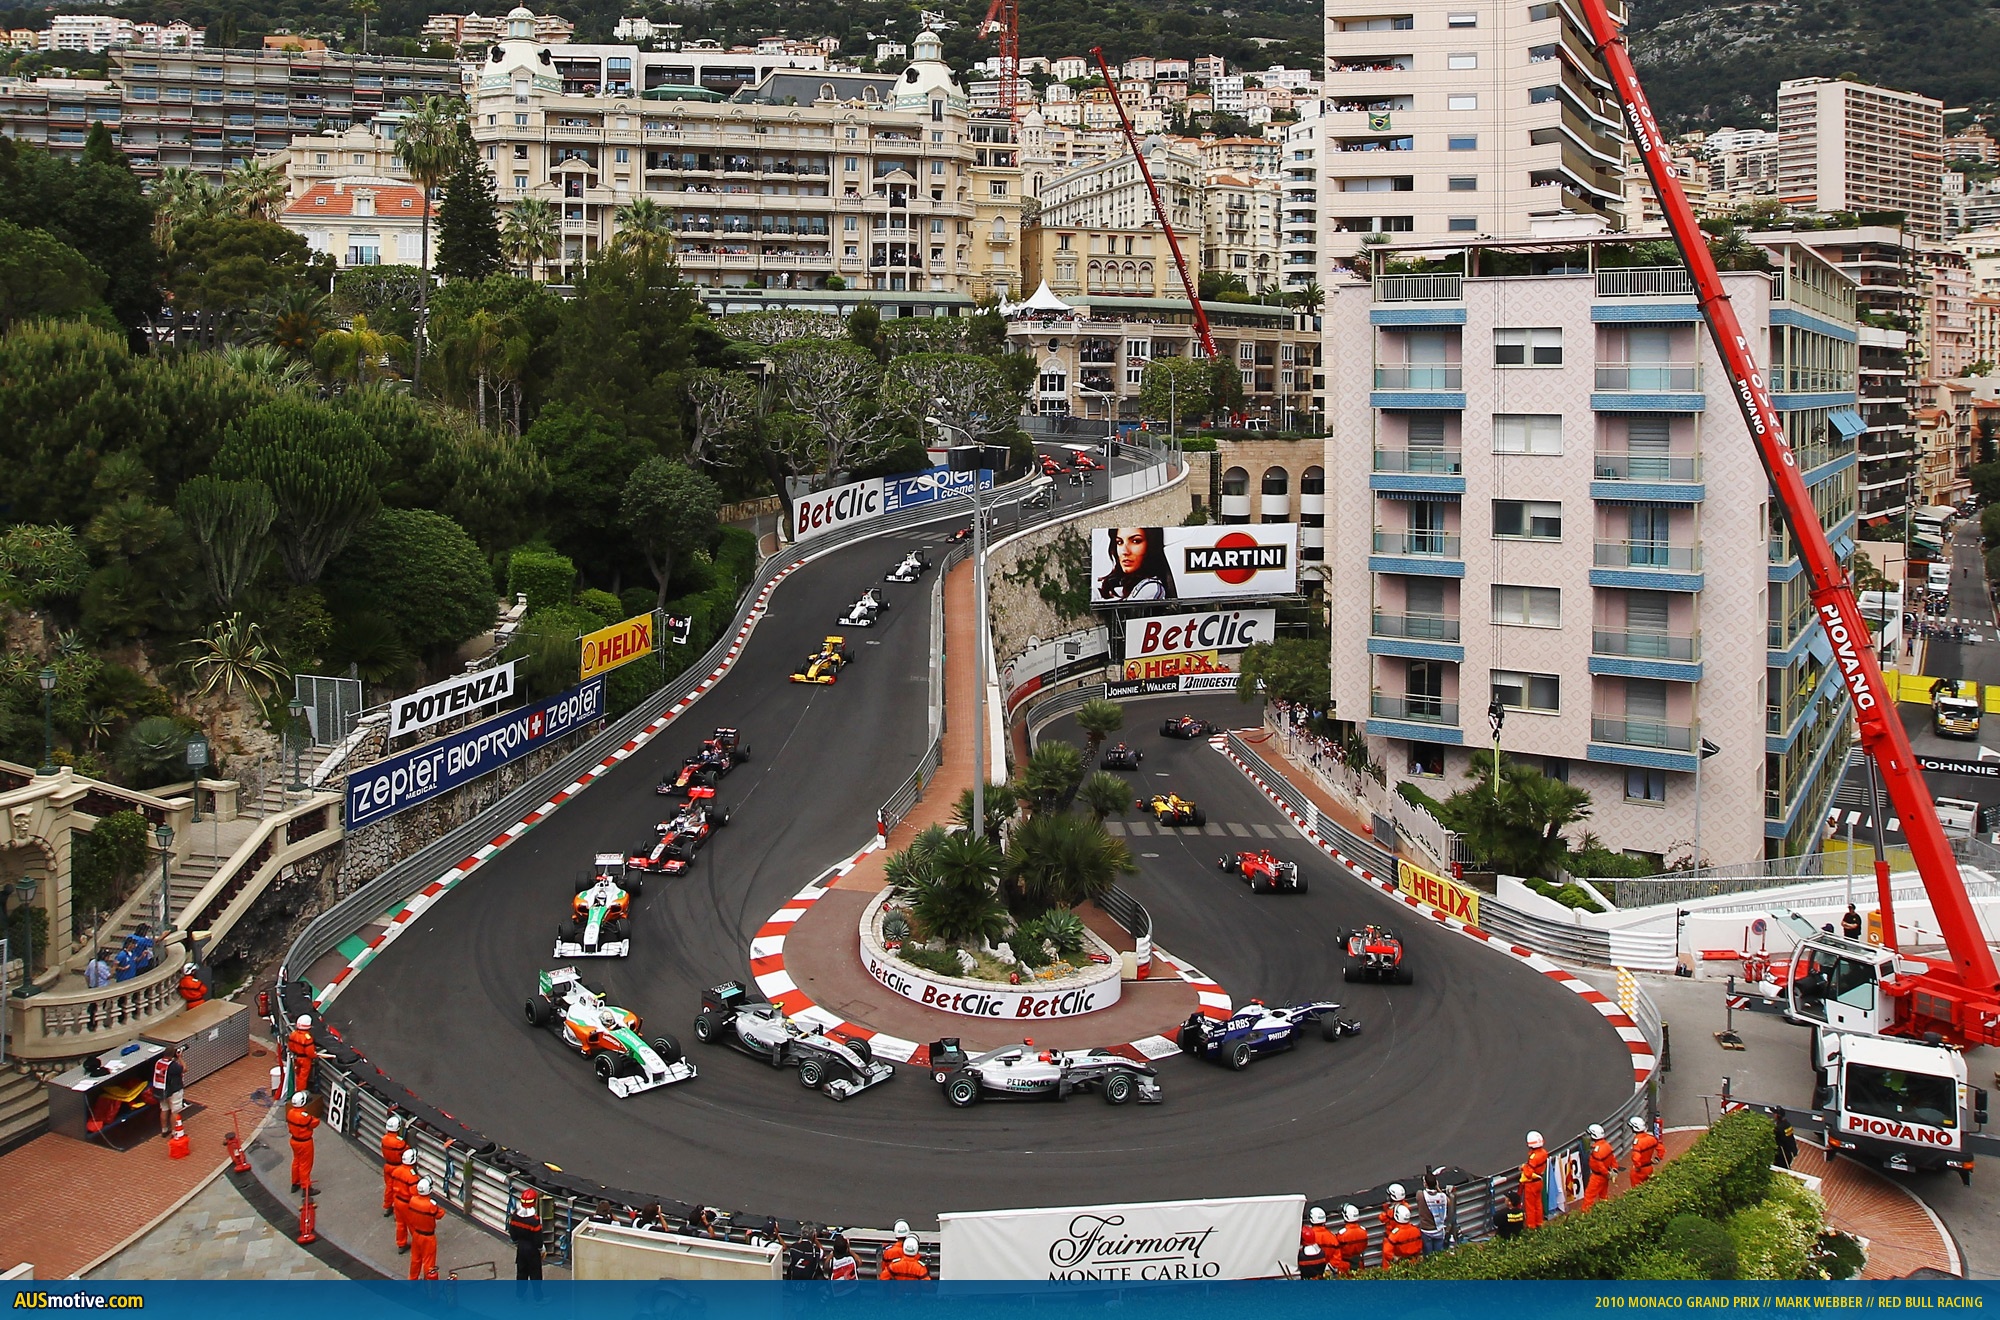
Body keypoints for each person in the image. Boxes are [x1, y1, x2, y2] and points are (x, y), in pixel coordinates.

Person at [1096, 527, 1176, 602]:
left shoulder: (1151, 588)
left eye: (1136, 541)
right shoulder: (1115, 582)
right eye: (1119, 542)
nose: (1125, 551)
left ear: (1151, 545)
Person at [406, 1176, 443, 1281]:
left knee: (415, 1259)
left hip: (416, 1234)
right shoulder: (430, 1205)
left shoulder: (413, 1200)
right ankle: (429, 1283)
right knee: (429, 1261)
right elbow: (440, 1214)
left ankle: (413, 1279)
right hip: (428, 1236)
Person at [508, 1187, 545, 1283]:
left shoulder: (515, 1217)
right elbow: (538, 1239)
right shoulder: (534, 1221)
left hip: (521, 1249)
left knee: (521, 1274)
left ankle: (520, 1296)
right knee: (536, 1275)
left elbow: (513, 1234)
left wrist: (517, 1243)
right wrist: (541, 1249)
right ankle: (538, 1297)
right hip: (532, 1251)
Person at [285, 1090, 318, 1194]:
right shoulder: (304, 1116)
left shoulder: (290, 1112)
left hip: (294, 1141)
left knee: (296, 1162)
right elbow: (315, 1122)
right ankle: (306, 1188)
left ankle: (295, 1183)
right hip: (305, 1143)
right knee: (305, 1165)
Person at [152, 1045, 186, 1136]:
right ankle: (174, 1132)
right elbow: (184, 1069)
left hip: (161, 1091)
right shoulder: (173, 1066)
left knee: (164, 1109)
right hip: (174, 1091)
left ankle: (164, 1130)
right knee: (174, 1112)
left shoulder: (158, 1062)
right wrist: (180, 1058)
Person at [391, 1148, 420, 1252]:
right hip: (407, 1203)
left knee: (400, 1224)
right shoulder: (412, 1177)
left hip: (397, 1200)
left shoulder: (397, 1170)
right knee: (413, 1225)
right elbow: (414, 1194)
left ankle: (401, 1244)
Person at [1417, 1170, 1452, 1253]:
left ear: (1425, 1184)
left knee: (1428, 1256)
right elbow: (1449, 1202)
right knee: (1439, 1255)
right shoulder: (1442, 1197)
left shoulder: (1420, 1195)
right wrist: (1438, 1188)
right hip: (1439, 1230)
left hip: (1426, 1231)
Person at [1584, 1123, 1618, 1210]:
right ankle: (1605, 1211)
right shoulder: (1607, 1145)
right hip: (1605, 1176)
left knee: (1589, 1196)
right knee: (1603, 1195)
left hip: (1597, 1176)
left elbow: (1600, 1166)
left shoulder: (1596, 1150)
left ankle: (1586, 1215)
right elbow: (1612, 1159)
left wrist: (1607, 1174)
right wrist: (1614, 1170)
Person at [381, 1115, 410, 1217]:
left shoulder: (384, 1139)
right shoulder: (399, 1142)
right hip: (397, 1168)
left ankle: (387, 1206)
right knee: (399, 1191)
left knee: (389, 1187)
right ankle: (398, 1212)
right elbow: (407, 1150)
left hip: (387, 1166)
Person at [1520, 1132, 1549, 1229]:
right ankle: (1539, 1223)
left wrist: (1524, 1167)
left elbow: (1528, 1174)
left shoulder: (1533, 1157)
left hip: (1531, 1184)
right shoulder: (1544, 1152)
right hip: (1539, 1181)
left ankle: (1531, 1226)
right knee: (1538, 1204)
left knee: (1530, 1206)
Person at [1381, 1204, 1422, 1269]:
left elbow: (1387, 1252)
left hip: (1400, 1265)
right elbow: (1419, 1247)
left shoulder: (1395, 1235)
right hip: (1414, 1263)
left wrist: (1395, 1260)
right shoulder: (1416, 1230)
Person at [1331, 1205, 1368, 1277]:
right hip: (1359, 1263)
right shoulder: (1363, 1231)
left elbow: (1338, 1249)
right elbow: (1364, 1246)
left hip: (1345, 1264)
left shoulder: (1342, 1234)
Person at [286, 1015, 318, 1095]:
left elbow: (290, 1046)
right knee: (303, 1076)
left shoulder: (294, 1034)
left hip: (296, 1057)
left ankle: (295, 1089)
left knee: (297, 1074)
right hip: (305, 1060)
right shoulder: (307, 1038)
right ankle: (300, 1092)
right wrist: (315, 1056)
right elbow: (310, 1052)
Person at [1629, 1114, 1663, 1187]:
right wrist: (1657, 1159)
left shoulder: (1637, 1142)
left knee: (1636, 1191)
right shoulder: (1651, 1138)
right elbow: (1661, 1149)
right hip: (1649, 1168)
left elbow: (1636, 1158)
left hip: (1639, 1171)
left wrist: (1637, 1167)